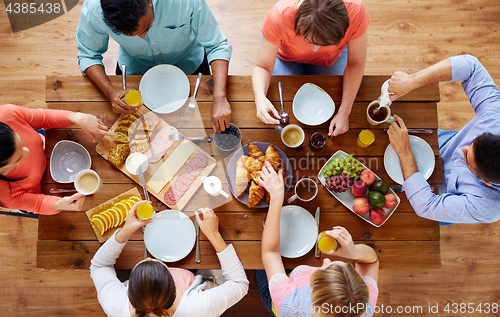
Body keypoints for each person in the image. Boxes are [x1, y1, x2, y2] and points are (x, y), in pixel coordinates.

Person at [76, 0, 232, 133]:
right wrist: (110, 92)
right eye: (130, 35)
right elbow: (88, 55)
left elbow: (216, 46)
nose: (142, 37)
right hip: (134, 72)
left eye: (147, 27)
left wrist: (220, 98)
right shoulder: (94, 10)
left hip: (191, 66)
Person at [386, 55, 500, 224]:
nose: (463, 149)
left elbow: (426, 206)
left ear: (485, 181)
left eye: (468, 159)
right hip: (440, 144)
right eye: (472, 142)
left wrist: (404, 152)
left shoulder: (487, 207)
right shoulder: (495, 117)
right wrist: (411, 81)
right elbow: (471, 67)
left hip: (437, 196)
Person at [257, 162, 379, 317]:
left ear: (312, 294)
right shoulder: (362, 305)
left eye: (325, 267)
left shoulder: (289, 304)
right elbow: (371, 261)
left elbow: (270, 253)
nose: (325, 260)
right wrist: (354, 252)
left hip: (278, 294)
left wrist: (276, 197)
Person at [90, 205, 249, 317]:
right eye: (160, 265)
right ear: (174, 289)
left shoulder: (115, 305)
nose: (151, 257)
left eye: (147, 261)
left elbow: (99, 266)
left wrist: (125, 231)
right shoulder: (198, 307)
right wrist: (214, 234)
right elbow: (239, 283)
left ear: (129, 292)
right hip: (202, 286)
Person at [252, 0, 369, 136]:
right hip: (286, 57)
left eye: (324, 43)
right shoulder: (279, 16)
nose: (314, 50)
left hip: (331, 58)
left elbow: (355, 62)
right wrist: (260, 97)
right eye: (308, 40)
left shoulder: (356, 11)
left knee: (335, 93)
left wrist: (345, 112)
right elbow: (262, 66)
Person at [0, 104, 113, 214]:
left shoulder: (6, 115)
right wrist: (59, 204)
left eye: (21, 140)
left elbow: (45, 117)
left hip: (47, 141)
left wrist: (76, 117)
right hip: (40, 188)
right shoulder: (4, 195)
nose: (27, 151)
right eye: (18, 158)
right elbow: (39, 204)